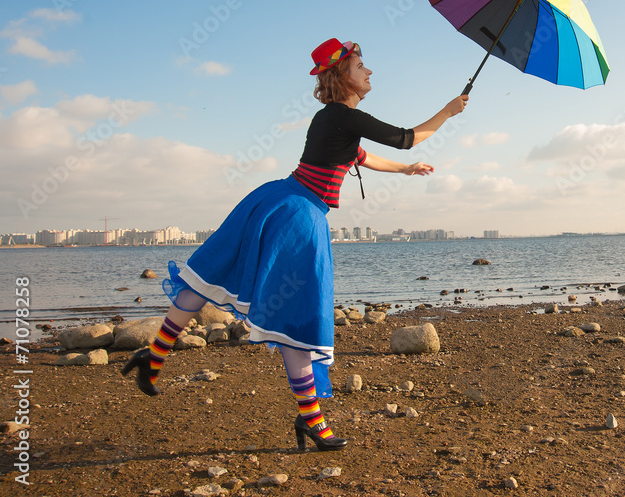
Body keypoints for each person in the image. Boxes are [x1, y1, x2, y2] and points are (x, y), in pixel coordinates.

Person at [122, 38, 469, 451]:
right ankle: (311, 421)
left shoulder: (333, 120)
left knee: (209, 276)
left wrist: (406, 170)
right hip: (298, 216)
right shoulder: (343, 116)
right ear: (343, 76)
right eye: (362, 66)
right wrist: (449, 111)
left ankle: (154, 357)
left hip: (276, 200)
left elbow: (363, 158)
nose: (370, 72)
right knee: (299, 314)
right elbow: (407, 136)